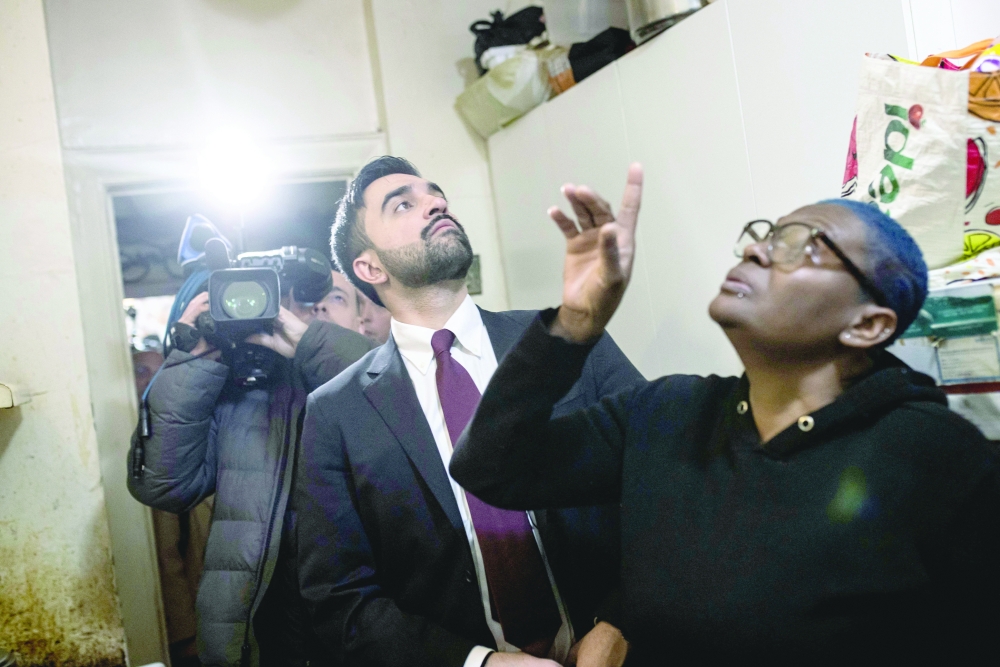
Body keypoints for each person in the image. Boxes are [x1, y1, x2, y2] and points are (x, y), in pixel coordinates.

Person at [450, 165, 1000, 664]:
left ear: (868, 325)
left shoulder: (935, 455)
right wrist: (575, 323)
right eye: (765, 235)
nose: (758, 251)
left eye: (801, 245)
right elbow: (491, 466)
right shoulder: (666, 413)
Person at [294, 156, 643, 667]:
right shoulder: (335, 413)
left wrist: (619, 620)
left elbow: (665, 484)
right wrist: (476, 663)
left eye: (435, 195)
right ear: (370, 268)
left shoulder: (565, 338)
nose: (436, 203)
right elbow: (339, 599)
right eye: (403, 205)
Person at [127, 285, 374, 666]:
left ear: (363, 319)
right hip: (261, 633)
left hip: (370, 630)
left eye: (337, 296)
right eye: (302, 296)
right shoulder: (244, 396)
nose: (318, 302)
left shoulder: (392, 384)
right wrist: (192, 359)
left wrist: (319, 347)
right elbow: (164, 486)